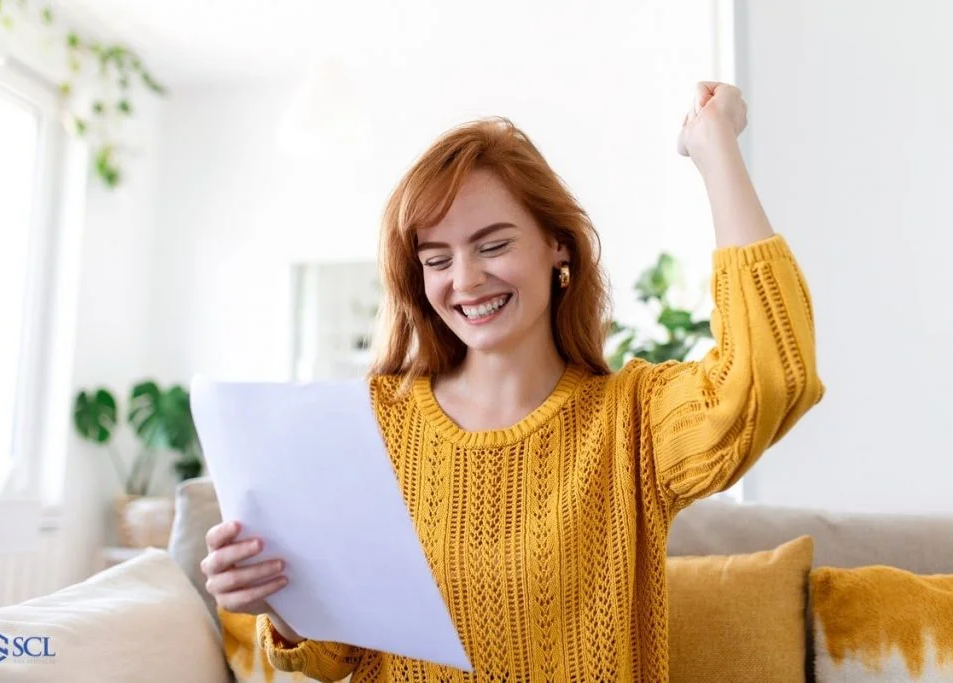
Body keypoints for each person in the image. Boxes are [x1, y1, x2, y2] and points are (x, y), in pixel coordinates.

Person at [200, 81, 825, 682]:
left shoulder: (631, 421)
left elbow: (769, 375)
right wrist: (273, 596)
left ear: (558, 246)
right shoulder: (374, 425)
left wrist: (716, 148)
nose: (465, 281)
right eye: (437, 259)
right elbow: (338, 655)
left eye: (492, 245)